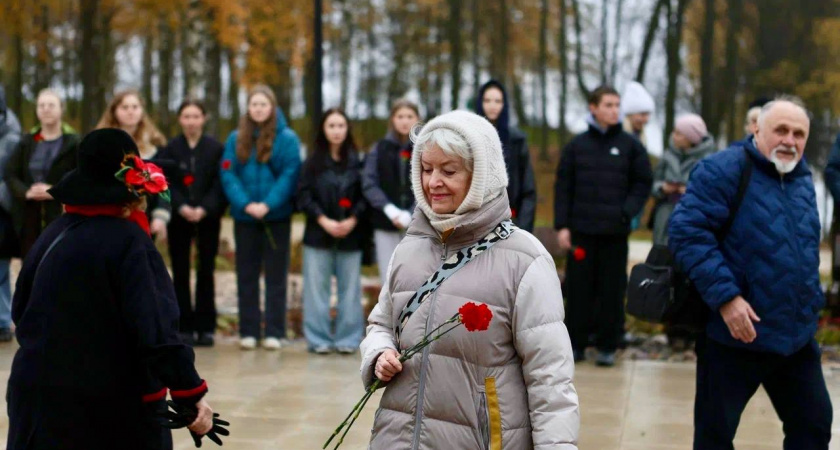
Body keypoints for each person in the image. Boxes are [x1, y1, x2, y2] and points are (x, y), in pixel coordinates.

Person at [360, 110, 579, 449]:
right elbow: (381, 324)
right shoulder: (408, 249)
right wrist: (379, 354)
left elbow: (550, 380)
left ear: (482, 176)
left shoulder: (525, 259)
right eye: (426, 169)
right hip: (397, 439)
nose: (433, 182)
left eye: (448, 171)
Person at [7, 128, 217, 449]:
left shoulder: (53, 234)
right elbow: (156, 330)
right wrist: (191, 395)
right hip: (108, 408)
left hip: (36, 399)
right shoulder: (130, 242)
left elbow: (21, 310)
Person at [669, 97, 833, 449]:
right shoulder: (722, 169)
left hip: (795, 339)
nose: (790, 140)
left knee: (814, 426)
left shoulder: (802, 177)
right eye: (781, 130)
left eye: (799, 134)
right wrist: (727, 299)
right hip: (734, 334)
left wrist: (811, 306)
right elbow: (687, 233)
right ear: (757, 129)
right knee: (715, 437)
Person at [554, 86, 653, 366]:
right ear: (593, 108)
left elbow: (643, 181)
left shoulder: (630, 146)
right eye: (608, 105)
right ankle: (576, 344)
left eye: (617, 105)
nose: (614, 110)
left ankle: (608, 345)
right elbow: (563, 187)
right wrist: (563, 226)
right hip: (581, 232)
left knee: (612, 289)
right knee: (578, 290)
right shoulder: (577, 146)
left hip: (614, 233)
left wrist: (627, 211)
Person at [220, 84, 301, 351]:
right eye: (254, 104)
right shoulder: (235, 138)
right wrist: (245, 204)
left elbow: (290, 174)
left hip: (275, 218)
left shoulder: (287, 139)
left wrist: (267, 204)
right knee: (246, 275)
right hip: (245, 218)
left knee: (276, 276)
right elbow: (228, 173)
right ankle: (249, 331)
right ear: (248, 108)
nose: (258, 109)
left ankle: (275, 331)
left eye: (263, 104)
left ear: (272, 107)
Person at [297, 108, 366, 355]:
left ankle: (349, 338)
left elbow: (365, 194)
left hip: (351, 235)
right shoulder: (311, 163)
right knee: (316, 290)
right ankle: (319, 339)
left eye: (341, 126)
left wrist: (353, 219)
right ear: (323, 130)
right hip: (318, 234)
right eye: (331, 126)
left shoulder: (358, 162)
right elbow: (303, 195)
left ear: (347, 129)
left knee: (350, 289)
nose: (336, 131)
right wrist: (323, 220)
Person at [158, 99, 227, 347]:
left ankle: (206, 327)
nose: (191, 122)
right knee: (180, 270)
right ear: (180, 119)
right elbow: (165, 181)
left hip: (208, 217)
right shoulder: (171, 148)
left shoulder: (215, 148)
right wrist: (181, 205)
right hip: (180, 217)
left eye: (195, 116)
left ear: (204, 118)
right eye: (186, 117)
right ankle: (183, 326)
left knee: (206, 269)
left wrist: (206, 208)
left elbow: (221, 182)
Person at [5, 89, 79, 258]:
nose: (46, 109)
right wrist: (26, 192)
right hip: (29, 220)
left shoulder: (73, 142)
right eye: (41, 105)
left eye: (51, 105)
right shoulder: (27, 141)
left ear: (61, 109)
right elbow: (10, 173)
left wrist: (56, 191)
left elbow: (81, 175)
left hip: (62, 217)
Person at [96, 90, 171, 240]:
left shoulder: (155, 144)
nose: (130, 111)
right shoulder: (100, 141)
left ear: (142, 111)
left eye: (135, 107)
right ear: (114, 111)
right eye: (125, 107)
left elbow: (163, 182)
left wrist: (160, 216)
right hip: (109, 216)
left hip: (145, 217)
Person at [362, 99, 420, 284]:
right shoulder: (379, 148)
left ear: (417, 119)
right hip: (385, 223)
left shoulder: (425, 147)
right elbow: (369, 183)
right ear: (392, 119)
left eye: (409, 116)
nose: (404, 121)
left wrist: (410, 213)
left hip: (418, 224)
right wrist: (390, 210)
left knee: (415, 278)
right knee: (388, 278)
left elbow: (429, 184)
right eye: (400, 116)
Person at [474, 79, 537, 231]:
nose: (492, 105)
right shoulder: (469, 138)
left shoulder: (517, 140)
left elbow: (528, 189)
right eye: (487, 100)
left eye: (498, 101)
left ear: (504, 104)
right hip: (475, 222)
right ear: (480, 102)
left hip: (510, 221)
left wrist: (523, 228)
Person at [651, 113, 715, 246]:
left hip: (693, 215)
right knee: (660, 250)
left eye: (679, 133)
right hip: (665, 213)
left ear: (691, 138)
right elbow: (654, 182)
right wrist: (662, 188)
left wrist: (690, 191)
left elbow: (713, 189)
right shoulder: (667, 155)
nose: (673, 135)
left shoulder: (709, 160)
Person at [0, 86, 21, 342]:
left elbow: (14, 176)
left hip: (1, 211)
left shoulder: (13, 138)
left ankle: (3, 320)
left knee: (0, 268)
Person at [621, 81, 655, 147]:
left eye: (648, 115)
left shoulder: (641, 138)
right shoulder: (617, 137)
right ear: (629, 114)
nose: (646, 119)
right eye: (642, 114)